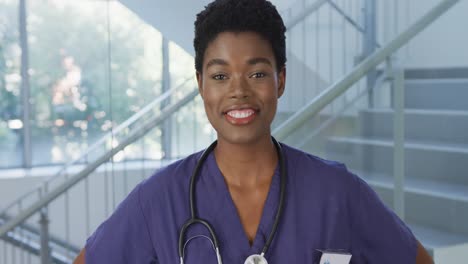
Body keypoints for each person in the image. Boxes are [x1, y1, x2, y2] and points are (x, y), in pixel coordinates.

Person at [74, 0, 433, 263]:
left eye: (257, 73)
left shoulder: (338, 193)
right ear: (201, 84)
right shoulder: (157, 200)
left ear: (281, 80)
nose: (239, 91)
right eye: (219, 76)